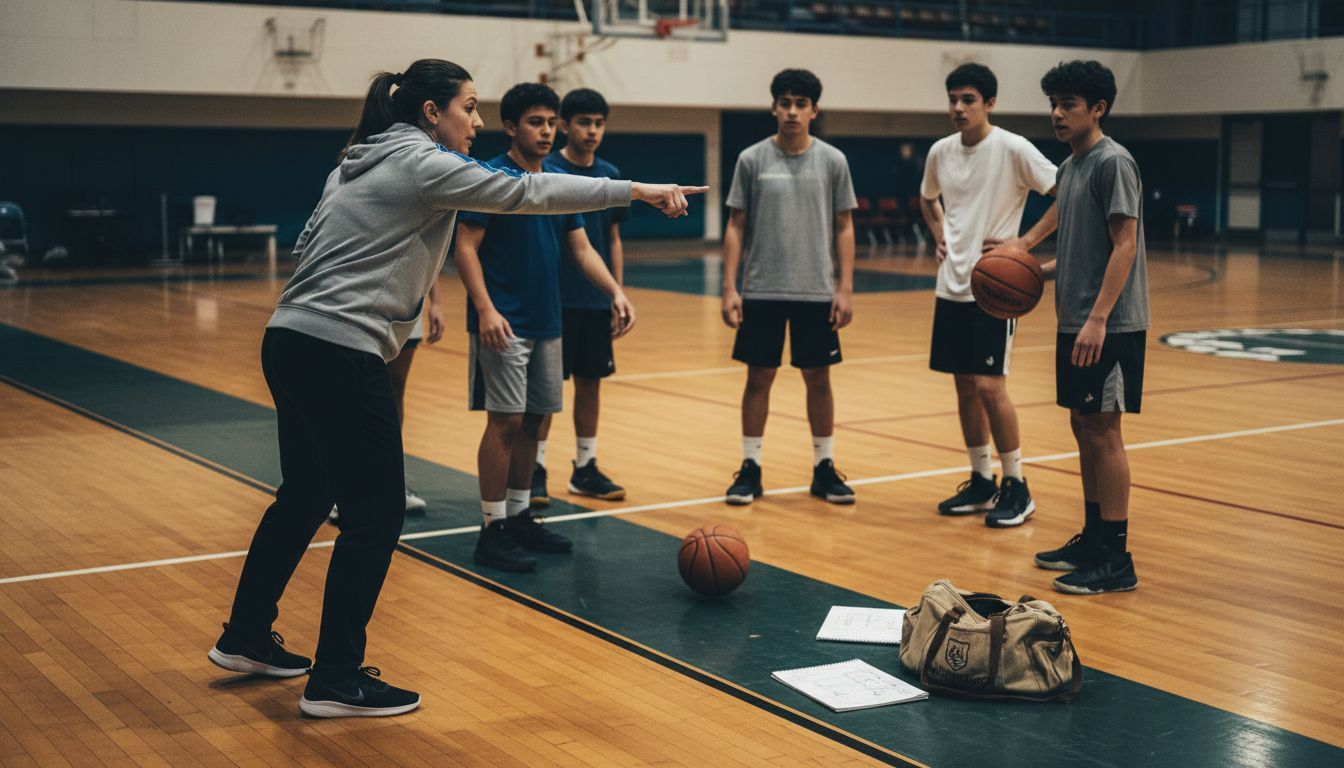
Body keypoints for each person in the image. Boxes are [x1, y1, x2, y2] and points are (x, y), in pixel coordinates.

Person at [206, 59, 704, 718]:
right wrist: (632, 190)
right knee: (376, 513)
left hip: (290, 338)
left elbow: (315, 245)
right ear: (431, 113)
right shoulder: (422, 163)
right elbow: (527, 193)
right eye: (468, 107)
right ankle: (336, 678)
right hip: (339, 351)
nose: (475, 120)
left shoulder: (353, 162)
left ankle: (245, 638)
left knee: (305, 493)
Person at [454, 83, 636, 573]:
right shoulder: (490, 175)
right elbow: (465, 247)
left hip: (548, 320)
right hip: (504, 323)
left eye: (551, 122)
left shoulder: (554, 181)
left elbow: (581, 248)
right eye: (536, 122)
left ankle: (518, 518)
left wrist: (614, 291)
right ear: (511, 126)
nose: (547, 131)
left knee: (535, 420)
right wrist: (485, 309)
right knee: (506, 421)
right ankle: (490, 529)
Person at [919, 63, 1059, 528]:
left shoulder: (1013, 148)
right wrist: (938, 231)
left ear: (990, 103)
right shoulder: (940, 151)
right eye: (953, 99)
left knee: (988, 386)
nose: (958, 108)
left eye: (968, 100)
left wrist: (1025, 243)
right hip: (951, 285)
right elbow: (927, 197)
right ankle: (982, 479)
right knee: (963, 385)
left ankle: (1016, 484)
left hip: (996, 290)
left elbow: (1067, 191)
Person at [1031, 60, 1148, 594]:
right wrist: (1032, 268)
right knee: (1083, 427)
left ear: (1097, 109)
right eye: (1053, 103)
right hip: (1075, 319)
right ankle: (1095, 536)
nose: (1057, 113)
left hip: (1110, 323)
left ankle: (1117, 558)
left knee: (1104, 430)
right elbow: (1080, 250)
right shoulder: (1070, 166)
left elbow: (1124, 243)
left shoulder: (1112, 161)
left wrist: (1100, 318)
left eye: (1068, 104)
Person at [720, 68, 857, 507]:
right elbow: (736, 225)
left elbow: (844, 226)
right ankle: (750, 467)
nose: (792, 111)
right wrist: (729, 287)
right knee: (758, 376)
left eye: (801, 103)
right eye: (785, 102)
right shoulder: (752, 159)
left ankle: (824, 467)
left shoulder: (833, 161)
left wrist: (846, 288)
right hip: (761, 289)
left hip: (815, 290)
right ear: (774, 107)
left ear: (814, 110)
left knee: (819, 378)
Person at [530, 87, 629, 508]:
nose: (592, 131)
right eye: (584, 122)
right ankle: (534, 469)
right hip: (552, 298)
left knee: (591, 383)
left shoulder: (609, 171)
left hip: (593, 301)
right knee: (547, 390)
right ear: (565, 125)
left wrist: (616, 293)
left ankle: (585, 467)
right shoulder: (546, 169)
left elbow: (612, 238)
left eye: (599, 123)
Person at [328, 284, 442, 525]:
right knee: (355, 392)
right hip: (360, 305)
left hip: (407, 306)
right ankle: (345, 488)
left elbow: (430, 252)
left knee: (394, 390)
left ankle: (390, 482)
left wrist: (437, 302)